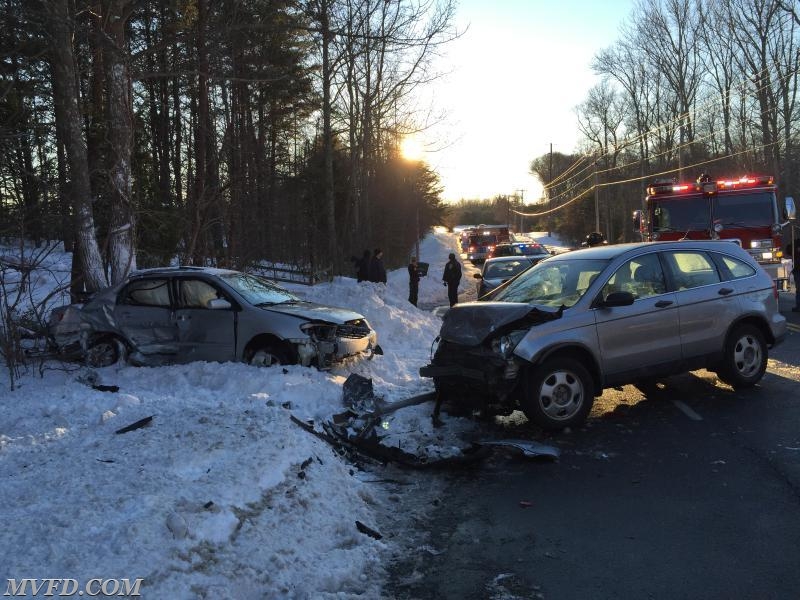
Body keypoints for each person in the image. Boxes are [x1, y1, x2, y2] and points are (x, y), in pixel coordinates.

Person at [788, 241, 800, 312]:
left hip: (797, 269)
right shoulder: (796, 242)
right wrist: (796, 249)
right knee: (799, 289)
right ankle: (798, 306)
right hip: (798, 269)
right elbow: (788, 250)